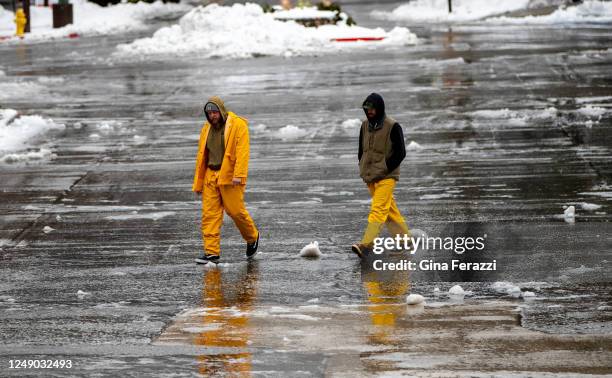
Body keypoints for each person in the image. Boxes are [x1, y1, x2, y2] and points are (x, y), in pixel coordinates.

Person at [192, 96, 259, 264]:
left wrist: (239, 175)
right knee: (210, 215)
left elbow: (243, 151)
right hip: (210, 176)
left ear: (221, 111)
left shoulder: (238, 125)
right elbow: (202, 157)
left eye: (214, 112)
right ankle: (211, 253)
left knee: (235, 211)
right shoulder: (206, 129)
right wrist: (199, 182)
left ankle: (252, 237)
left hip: (229, 176)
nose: (212, 116)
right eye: (209, 113)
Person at [351, 93, 411, 258]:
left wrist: (385, 168)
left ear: (379, 108)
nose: (369, 112)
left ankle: (366, 244)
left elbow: (401, 152)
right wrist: (363, 167)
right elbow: (361, 151)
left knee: (378, 209)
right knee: (388, 209)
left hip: (387, 176)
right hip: (370, 176)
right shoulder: (364, 126)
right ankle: (405, 240)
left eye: (372, 109)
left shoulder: (393, 126)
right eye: (366, 110)